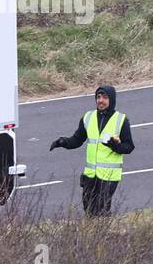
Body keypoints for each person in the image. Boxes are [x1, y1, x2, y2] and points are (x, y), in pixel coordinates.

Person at [49, 85, 134, 216]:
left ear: (111, 100)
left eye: (105, 97)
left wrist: (115, 146)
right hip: (90, 175)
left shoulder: (121, 120)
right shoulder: (88, 117)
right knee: (89, 210)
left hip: (109, 176)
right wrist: (62, 142)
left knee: (101, 211)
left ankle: (104, 235)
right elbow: (77, 140)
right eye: (98, 97)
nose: (100, 100)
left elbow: (129, 147)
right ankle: (93, 235)